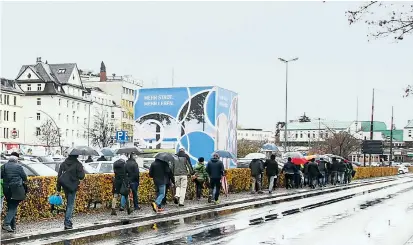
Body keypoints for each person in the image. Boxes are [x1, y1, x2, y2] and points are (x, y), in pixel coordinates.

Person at [56, 154, 85, 230]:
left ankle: (68, 221)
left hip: (65, 186)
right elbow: (81, 176)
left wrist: (58, 189)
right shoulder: (78, 164)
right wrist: (82, 169)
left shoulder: (63, 164)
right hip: (73, 186)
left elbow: (59, 177)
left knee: (69, 204)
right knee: (70, 205)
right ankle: (67, 222)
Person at [1, 152, 27, 232]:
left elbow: (1, 176)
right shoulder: (19, 167)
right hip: (16, 189)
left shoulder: (4, 166)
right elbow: (25, 177)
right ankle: (6, 224)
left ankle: (12, 226)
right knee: (13, 207)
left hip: (6, 189)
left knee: (10, 206)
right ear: (17, 159)